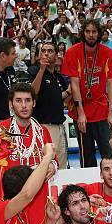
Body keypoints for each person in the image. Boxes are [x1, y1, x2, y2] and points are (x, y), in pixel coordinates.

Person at [0, 83, 56, 201]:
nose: (24, 105)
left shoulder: (42, 131)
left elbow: (53, 161)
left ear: (34, 103)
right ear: (11, 104)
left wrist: (52, 165)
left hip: (37, 199)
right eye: (18, 100)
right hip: (8, 201)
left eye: (28, 100)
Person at [61, 19, 112, 168]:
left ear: (99, 33)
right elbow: (74, 83)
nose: (91, 35)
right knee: (86, 156)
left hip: (102, 110)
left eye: (94, 31)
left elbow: (111, 84)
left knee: (109, 153)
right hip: (82, 112)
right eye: (87, 31)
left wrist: (111, 113)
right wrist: (81, 113)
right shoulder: (72, 52)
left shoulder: (108, 53)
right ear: (83, 33)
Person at [28, 41, 70, 169]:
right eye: (43, 51)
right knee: (43, 167)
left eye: (50, 51)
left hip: (59, 127)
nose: (46, 54)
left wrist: (69, 92)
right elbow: (32, 93)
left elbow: (58, 98)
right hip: (43, 127)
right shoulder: (34, 71)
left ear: (57, 56)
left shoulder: (58, 77)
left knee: (61, 165)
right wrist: (42, 69)